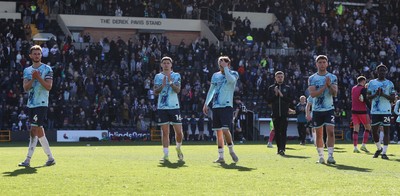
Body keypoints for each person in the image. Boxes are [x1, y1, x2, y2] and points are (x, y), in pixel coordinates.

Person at [19, 45, 55, 167]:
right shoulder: (27, 70)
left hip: (41, 103)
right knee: (39, 131)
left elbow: (48, 87)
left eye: (38, 54)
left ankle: (28, 160)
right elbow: (25, 88)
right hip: (31, 103)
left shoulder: (47, 69)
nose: (37, 56)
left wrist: (38, 77)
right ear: (30, 56)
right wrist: (33, 79)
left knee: (34, 129)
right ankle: (50, 158)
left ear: (41, 55)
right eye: (34, 54)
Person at [203, 56, 239, 163]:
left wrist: (226, 68)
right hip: (216, 106)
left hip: (227, 106)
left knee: (225, 129)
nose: (221, 64)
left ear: (228, 63)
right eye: (220, 62)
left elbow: (230, 80)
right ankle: (221, 157)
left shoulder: (233, 73)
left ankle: (231, 150)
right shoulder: (215, 76)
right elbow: (211, 90)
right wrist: (206, 103)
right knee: (218, 132)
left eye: (223, 62)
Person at [308, 55, 338, 164]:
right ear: (316, 64)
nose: (322, 64)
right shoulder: (312, 78)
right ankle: (321, 156)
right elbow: (313, 94)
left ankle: (330, 156)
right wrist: (325, 86)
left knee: (330, 131)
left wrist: (329, 85)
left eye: (324, 62)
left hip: (329, 109)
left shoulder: (332, 77)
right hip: (317, 110)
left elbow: (334, 93)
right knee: (319, 134)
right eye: (319, 62)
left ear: (327, 63)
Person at [153, 56, 184, 162]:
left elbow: (177, 90)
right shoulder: (158, 76)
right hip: (162, 107)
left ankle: (178, 148)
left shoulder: (176, 75)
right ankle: (165, 155)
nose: (166, 65)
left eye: (168, 63)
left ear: (171, 65)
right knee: (165, 132)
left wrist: (170, 83)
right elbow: (155, 92)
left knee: (179, 133)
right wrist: (162, 85)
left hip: (174, 107)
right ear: (161, 65)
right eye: (164, 63)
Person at [367, 64, 396, 160]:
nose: (382, 72)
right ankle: (379, 148)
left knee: (386, 131)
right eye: (380, 70)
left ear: (386, 72)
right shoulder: (372, 83)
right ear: (377, 71)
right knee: (374, 131)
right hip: (375, 111)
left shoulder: (390, 83)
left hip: (386, 110)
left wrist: (383, 94)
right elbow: (368, 97)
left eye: (384, 70)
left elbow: (393, 99)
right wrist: (376, 94)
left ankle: (384, 152)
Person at [266, 71, 293, 156]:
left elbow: (290, 100)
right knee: (277, 131)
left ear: (284, 77)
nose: (280, 78)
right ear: (275, 78)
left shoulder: (288, 88)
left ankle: (283, 149)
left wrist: (281, 95)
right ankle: (279, 149)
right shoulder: (271, 88)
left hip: (284, 113)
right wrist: (275, 94)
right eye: (278, 77)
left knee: (284, 131)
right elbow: (269, 100)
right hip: (275, 113)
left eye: (281, 76)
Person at [351, 76, 371, 153]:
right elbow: (365, 99)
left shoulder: (353, 88)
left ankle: (355, 147)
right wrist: (371, 107)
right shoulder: (363, 89)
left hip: (354, 111)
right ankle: (363, 145)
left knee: (356, 129)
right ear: (363, 81)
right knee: (368, 128)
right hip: (362, 111)